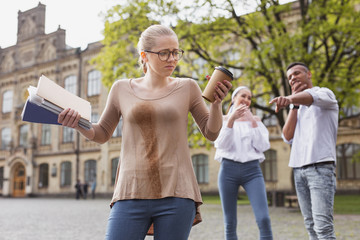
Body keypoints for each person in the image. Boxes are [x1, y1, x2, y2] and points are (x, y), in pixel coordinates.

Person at [58, 24, 232, 240]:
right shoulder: (121, 88)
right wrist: (78, 123)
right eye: (164, 53)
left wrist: (216, 105)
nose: (172, 59)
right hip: (130, 191)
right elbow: (102, 133)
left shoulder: (188, 87)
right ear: (144, 56)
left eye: (176, 52)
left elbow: (211, 132)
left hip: (177, 192)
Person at [269, 62, 338, 239]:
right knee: (311, 226)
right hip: (299, 170)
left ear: (309, 74)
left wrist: (291, 99)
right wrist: (293, 104)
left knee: (323, 227)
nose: (293, 78)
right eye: (290, 77)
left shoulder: (324, 93)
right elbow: (287, 135)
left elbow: (310, 98)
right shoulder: (296, 106)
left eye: (297, 73)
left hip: (320, 168)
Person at [214, 86, 273, 240]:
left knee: (264, 219)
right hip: (228, 171)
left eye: (249, 98)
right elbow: (221, 145)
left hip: (252, 171)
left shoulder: (256, 122)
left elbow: (263, 146)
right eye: (243, 96)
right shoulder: (222, 119)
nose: (246, 100)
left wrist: (253, 121)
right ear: (234, 98)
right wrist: (232, 119)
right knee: (230, 222)